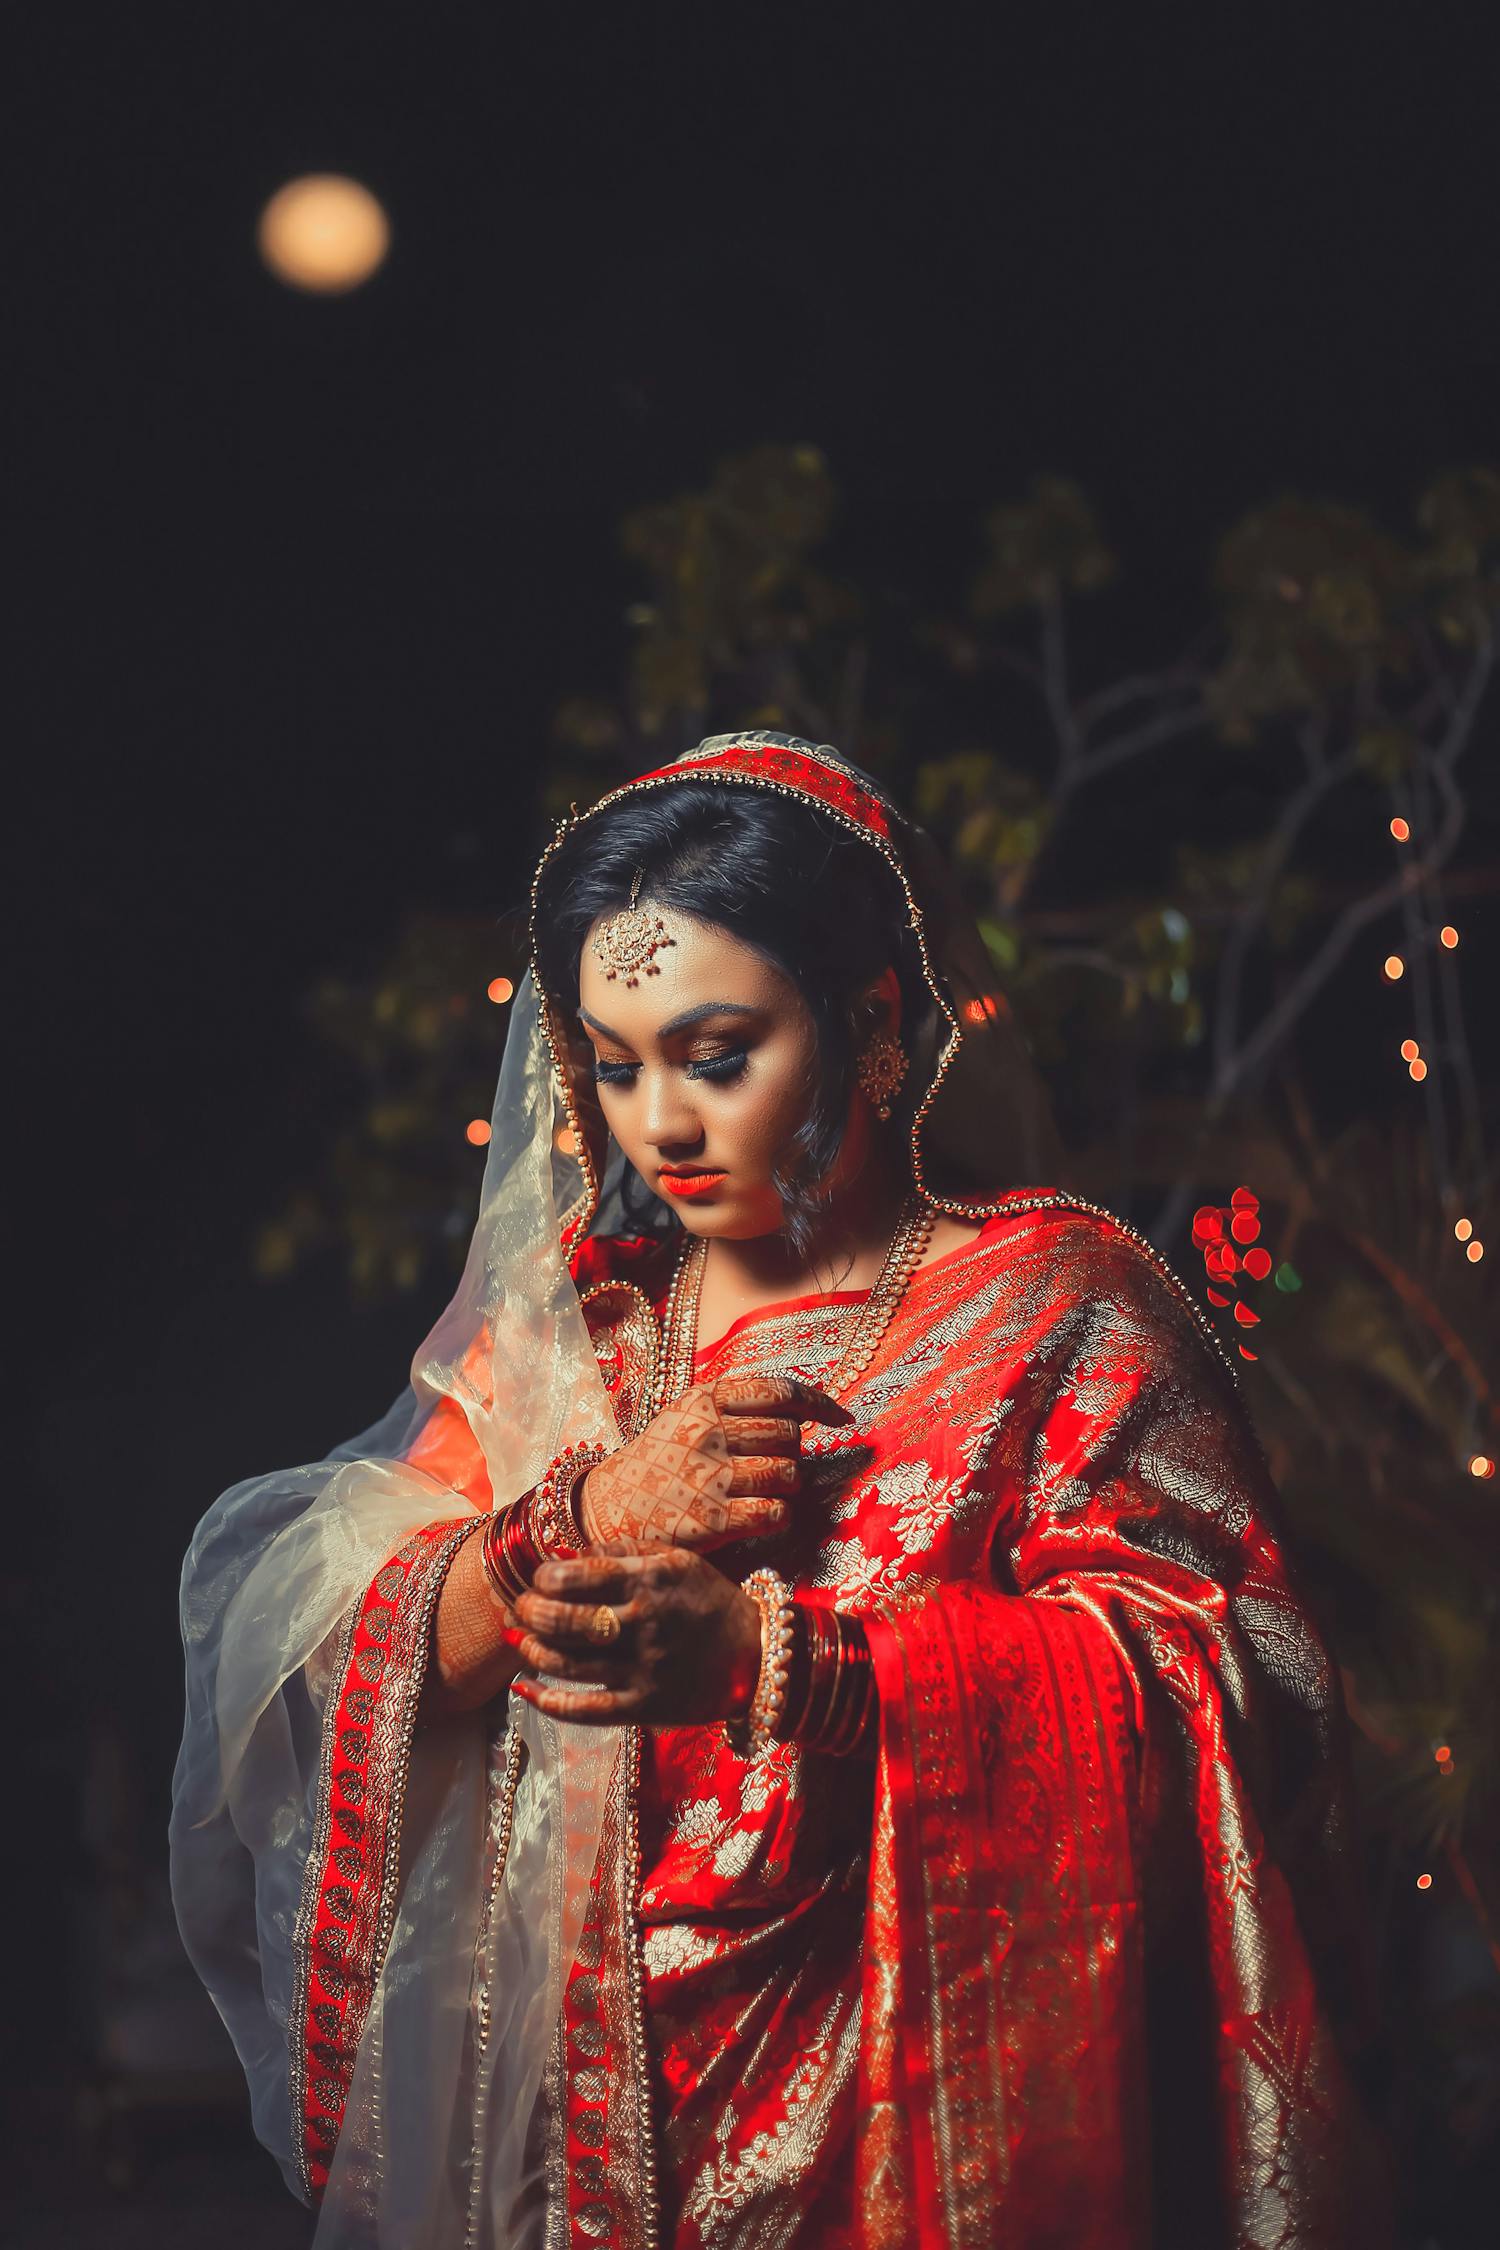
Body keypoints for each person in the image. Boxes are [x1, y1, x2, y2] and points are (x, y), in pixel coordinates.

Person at [171, 731, 1388, 2249]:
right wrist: (584, 1517)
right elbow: (333, 1664)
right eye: (616, 1064)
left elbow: (1246, 1692)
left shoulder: (1059, 1309)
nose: (661, 1124)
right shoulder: (574, 1346)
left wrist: (790, 1666)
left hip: (921, 2137)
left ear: (872, 1024)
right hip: (590, 2154)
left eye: (717, 1054)